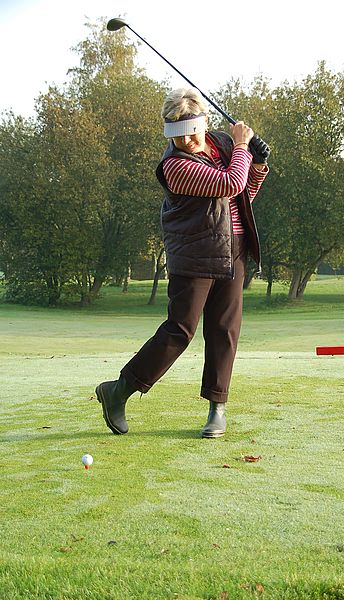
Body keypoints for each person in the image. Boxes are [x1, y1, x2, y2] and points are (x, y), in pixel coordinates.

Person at [95, 87, 270, 438]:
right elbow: (229, 182)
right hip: (195, 253)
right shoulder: (175, 166)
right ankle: (119, 390)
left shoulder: (220, 144)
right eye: (178, 135)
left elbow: (243, 193)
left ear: (204, 123)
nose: (188, 140)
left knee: (224, 331)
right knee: (180, 330)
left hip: (233, 249)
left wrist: (259, 163)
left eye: (192, 131)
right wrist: (242, 147)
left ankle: (216, 409)